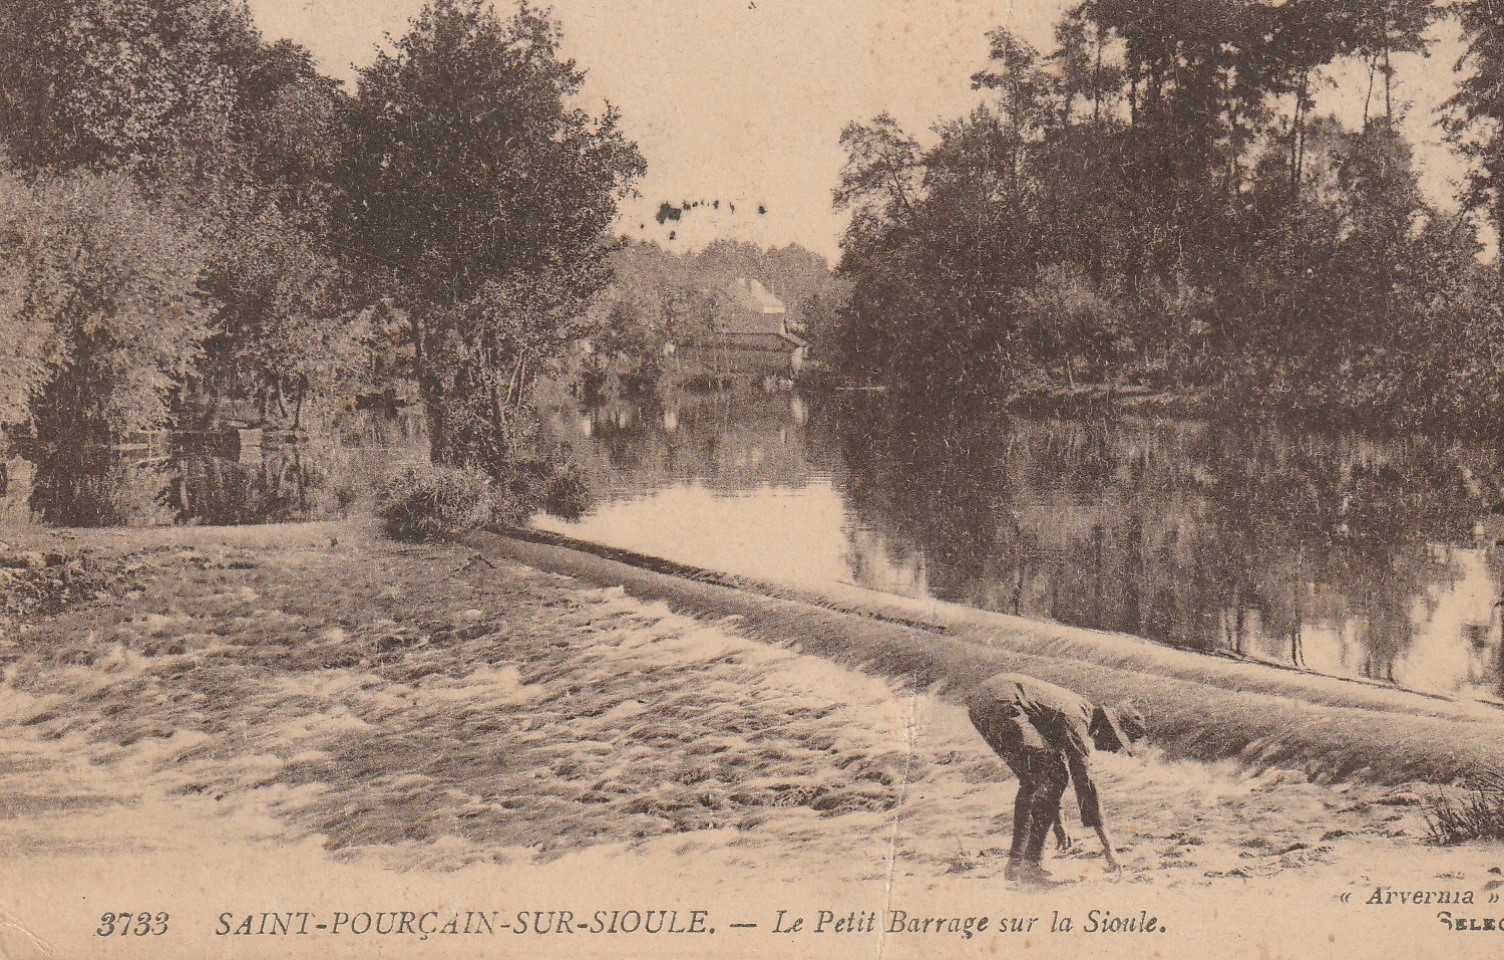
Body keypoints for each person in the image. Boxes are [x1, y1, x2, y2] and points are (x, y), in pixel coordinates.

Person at [966, 672, 1147, 883]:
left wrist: (1059, 823)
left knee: (1045, 775)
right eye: (1117, 741)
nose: (1114, 749)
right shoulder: (1078, 721)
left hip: (985, 699)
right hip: (1001, 701)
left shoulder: (1077, 713)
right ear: (1106, 727)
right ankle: (1022, 865)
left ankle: (1026, 862)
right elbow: (1086, 786)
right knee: (1037, 777)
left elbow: (1058, 773)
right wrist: (1109, 849)